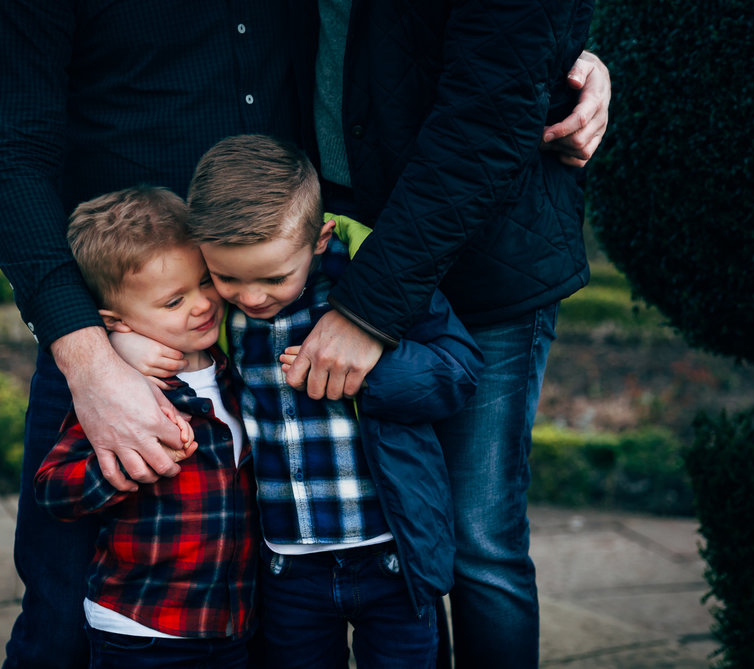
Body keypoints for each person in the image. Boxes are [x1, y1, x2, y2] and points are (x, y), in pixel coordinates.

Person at [0, 1, 609, 665]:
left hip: (290, 295)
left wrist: (551, 63)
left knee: (278, 604)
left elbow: (405, 42)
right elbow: (8, 151)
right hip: (122, 325)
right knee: (62, 613)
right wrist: (90, 359)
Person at [283, 2, 603, 667]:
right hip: (340, 243)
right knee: (392, 538)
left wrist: (367, 310)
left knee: (478, 541)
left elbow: (488, 115)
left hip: (487, 262)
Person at [113, 133, 482, 667]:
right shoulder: (218, 313)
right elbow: (157, 319)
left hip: (392, 555)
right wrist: (126, 340)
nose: (253, 296)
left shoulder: (370, 282)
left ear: (320, 237)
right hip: (288, 568)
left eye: (275, 277)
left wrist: (370, 372)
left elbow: (458, 371)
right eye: (228, 276)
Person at [33, 186, 256, 668]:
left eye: (206, 281)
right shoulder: (124, 390)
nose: (202, 305)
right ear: (117, 322)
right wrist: (128, 466)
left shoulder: (234, 366)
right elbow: (53, 489)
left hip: (231, 622)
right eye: (174, 301)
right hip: (142, 628)